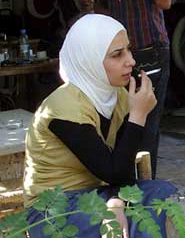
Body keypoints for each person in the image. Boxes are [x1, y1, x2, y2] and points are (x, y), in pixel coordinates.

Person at [23, 14, 176, 238]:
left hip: (99, 192)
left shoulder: (119, 97)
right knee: (139, 218)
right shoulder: (64, 106)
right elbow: (112, 170)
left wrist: (115, 202)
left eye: (128, 50)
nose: (131, 61)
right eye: (117, 55)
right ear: (89, 60)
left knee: (163, 193)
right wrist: (139, 115)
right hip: (52, 209)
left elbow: (123, 170)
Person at [94, 0, 173, 179]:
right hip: (148, 49)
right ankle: (143, 189)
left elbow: (99, 6)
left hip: (120, 50)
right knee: (147, 124)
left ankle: (127, 184)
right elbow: (165, 1)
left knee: (124, 119)